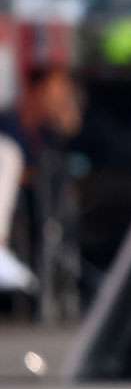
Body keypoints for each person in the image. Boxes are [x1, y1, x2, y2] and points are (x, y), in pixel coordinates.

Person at [0, 64, 83, 291]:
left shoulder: (48, 134)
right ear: (36, 92)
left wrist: (67, 115)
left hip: (38, 208)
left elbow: (73, 137)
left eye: (65, 93)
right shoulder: (8, 124)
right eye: (55, 92)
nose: (59, 98)